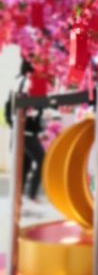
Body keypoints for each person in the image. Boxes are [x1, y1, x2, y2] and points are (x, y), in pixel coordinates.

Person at [4, 60, 46, 204]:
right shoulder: (25, 82)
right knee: (42, 161)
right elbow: (13, 107)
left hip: (23, 131)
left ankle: (20, 197)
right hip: (25, 133)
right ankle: (30, 195)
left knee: (24, 166)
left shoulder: (19, 81)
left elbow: (8, 108)